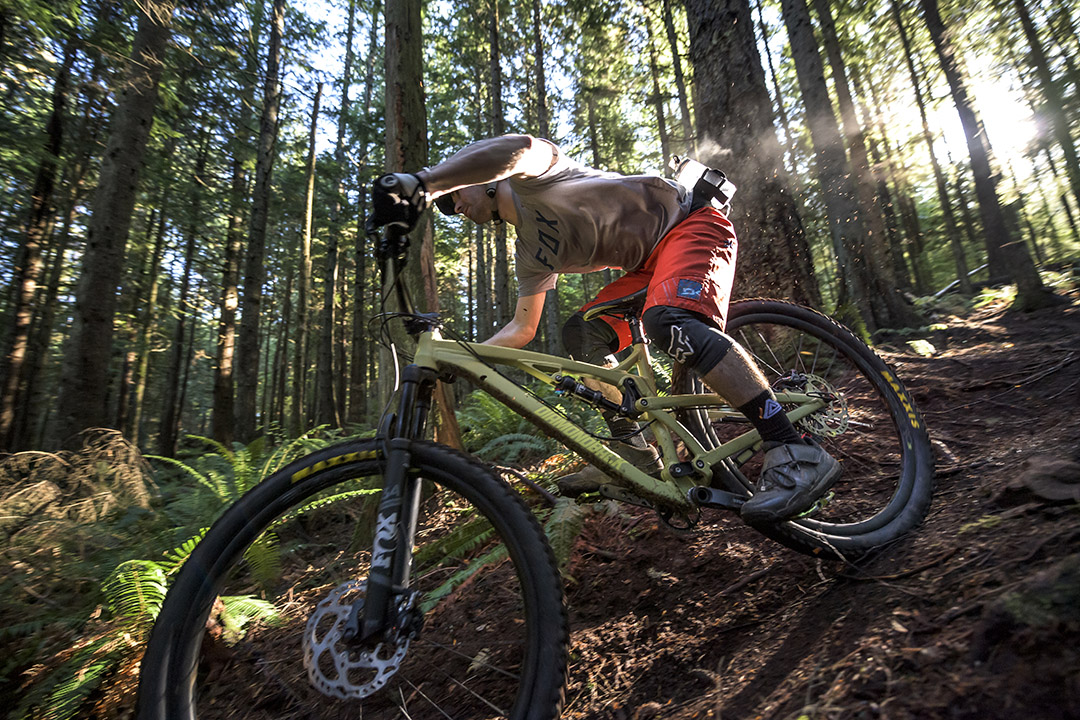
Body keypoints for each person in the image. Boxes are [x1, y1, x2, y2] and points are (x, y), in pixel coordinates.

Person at [372, 134, 839, 523]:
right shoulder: (530, 252)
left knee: (667, 321)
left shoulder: (535, 173)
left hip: (690, 222)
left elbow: (518, 145)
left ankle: (794, 448)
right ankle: (636, 455)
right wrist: (464, 357)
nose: (453, 206)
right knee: (583, 334)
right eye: (446, 205)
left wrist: (427, 184)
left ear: (487, 176)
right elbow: (523, 326)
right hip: (648, 266)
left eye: (457, 193)